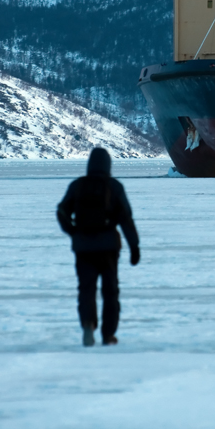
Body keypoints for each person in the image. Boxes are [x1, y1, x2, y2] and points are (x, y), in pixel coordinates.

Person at [57, 148, 140, 347]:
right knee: (110, 291)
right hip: (108, 247)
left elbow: (62, 211)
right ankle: (108, 334)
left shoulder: (77, 185)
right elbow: (126, 218)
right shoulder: (114, 186)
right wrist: (134, 247)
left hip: (83, 247)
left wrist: (73, 231)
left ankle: (88, 325)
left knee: (86, 289)